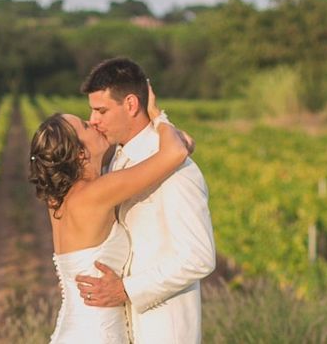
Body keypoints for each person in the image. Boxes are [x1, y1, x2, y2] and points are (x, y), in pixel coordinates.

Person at [29, 84, 190, 343]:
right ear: (81, 153)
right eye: (85, 125)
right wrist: (156, 114)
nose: (94, 123)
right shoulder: (98, 192)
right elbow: (177, 152)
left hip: (75, 330)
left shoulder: (58, 199)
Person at [74, 57, 216, 344]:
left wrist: (127, 289)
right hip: (123, 325)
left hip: (166, 330)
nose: (93, 121)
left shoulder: (177, 169)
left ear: (130, 104)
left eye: (101, 110)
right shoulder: (116, 159)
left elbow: (199, 257)